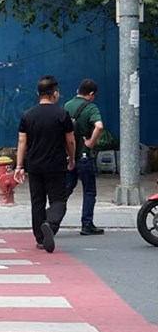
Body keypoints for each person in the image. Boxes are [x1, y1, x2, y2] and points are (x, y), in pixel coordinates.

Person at [13, 75, 76, 253]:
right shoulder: (62, 114)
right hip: (56, 165)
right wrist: (71, 158)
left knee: (37, 202)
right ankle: (50, 223)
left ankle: (40, 238)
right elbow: (70, 140)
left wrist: (19, 166)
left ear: (38, 93)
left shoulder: (28, 115)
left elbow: (22, 142)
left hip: (34, 165)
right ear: (54, 93)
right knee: (58, 200)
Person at [65, 79, 105, 236]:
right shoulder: (91, 107)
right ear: (91, 94)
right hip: (84, 156)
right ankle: (87, 224)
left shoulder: (67, 106)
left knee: (66, 189)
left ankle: (51, 218)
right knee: (89, 191)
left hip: (69, 156)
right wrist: (90, 143)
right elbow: (99, 126)